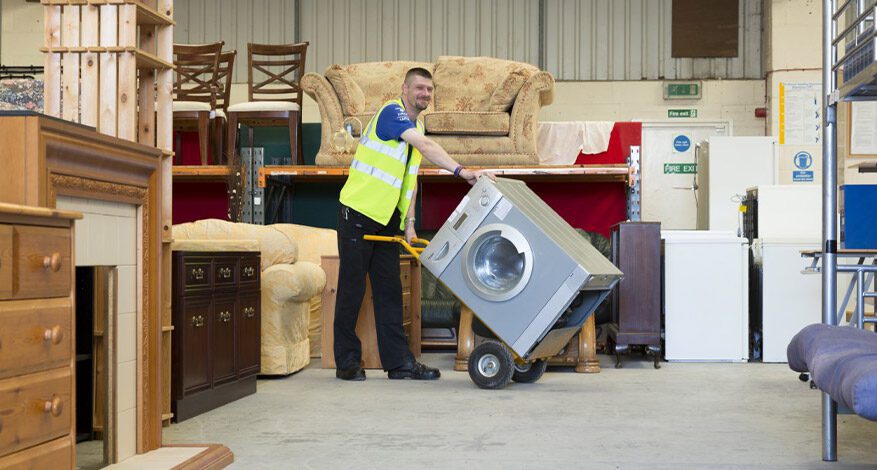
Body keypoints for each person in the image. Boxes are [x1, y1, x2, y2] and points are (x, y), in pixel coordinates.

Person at [334, 67, 492, 381]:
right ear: (404, 90)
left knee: (390, 292)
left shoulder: (416, 123)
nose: (425, 94)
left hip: (387, 220)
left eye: (430, 90)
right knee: (352, 291)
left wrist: (409, 222)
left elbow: (410, 179)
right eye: (419, 88)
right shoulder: (391, 113)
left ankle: (399, 363)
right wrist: (461, 172)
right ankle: (347, 363)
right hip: (358, 213)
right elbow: (425, 148)